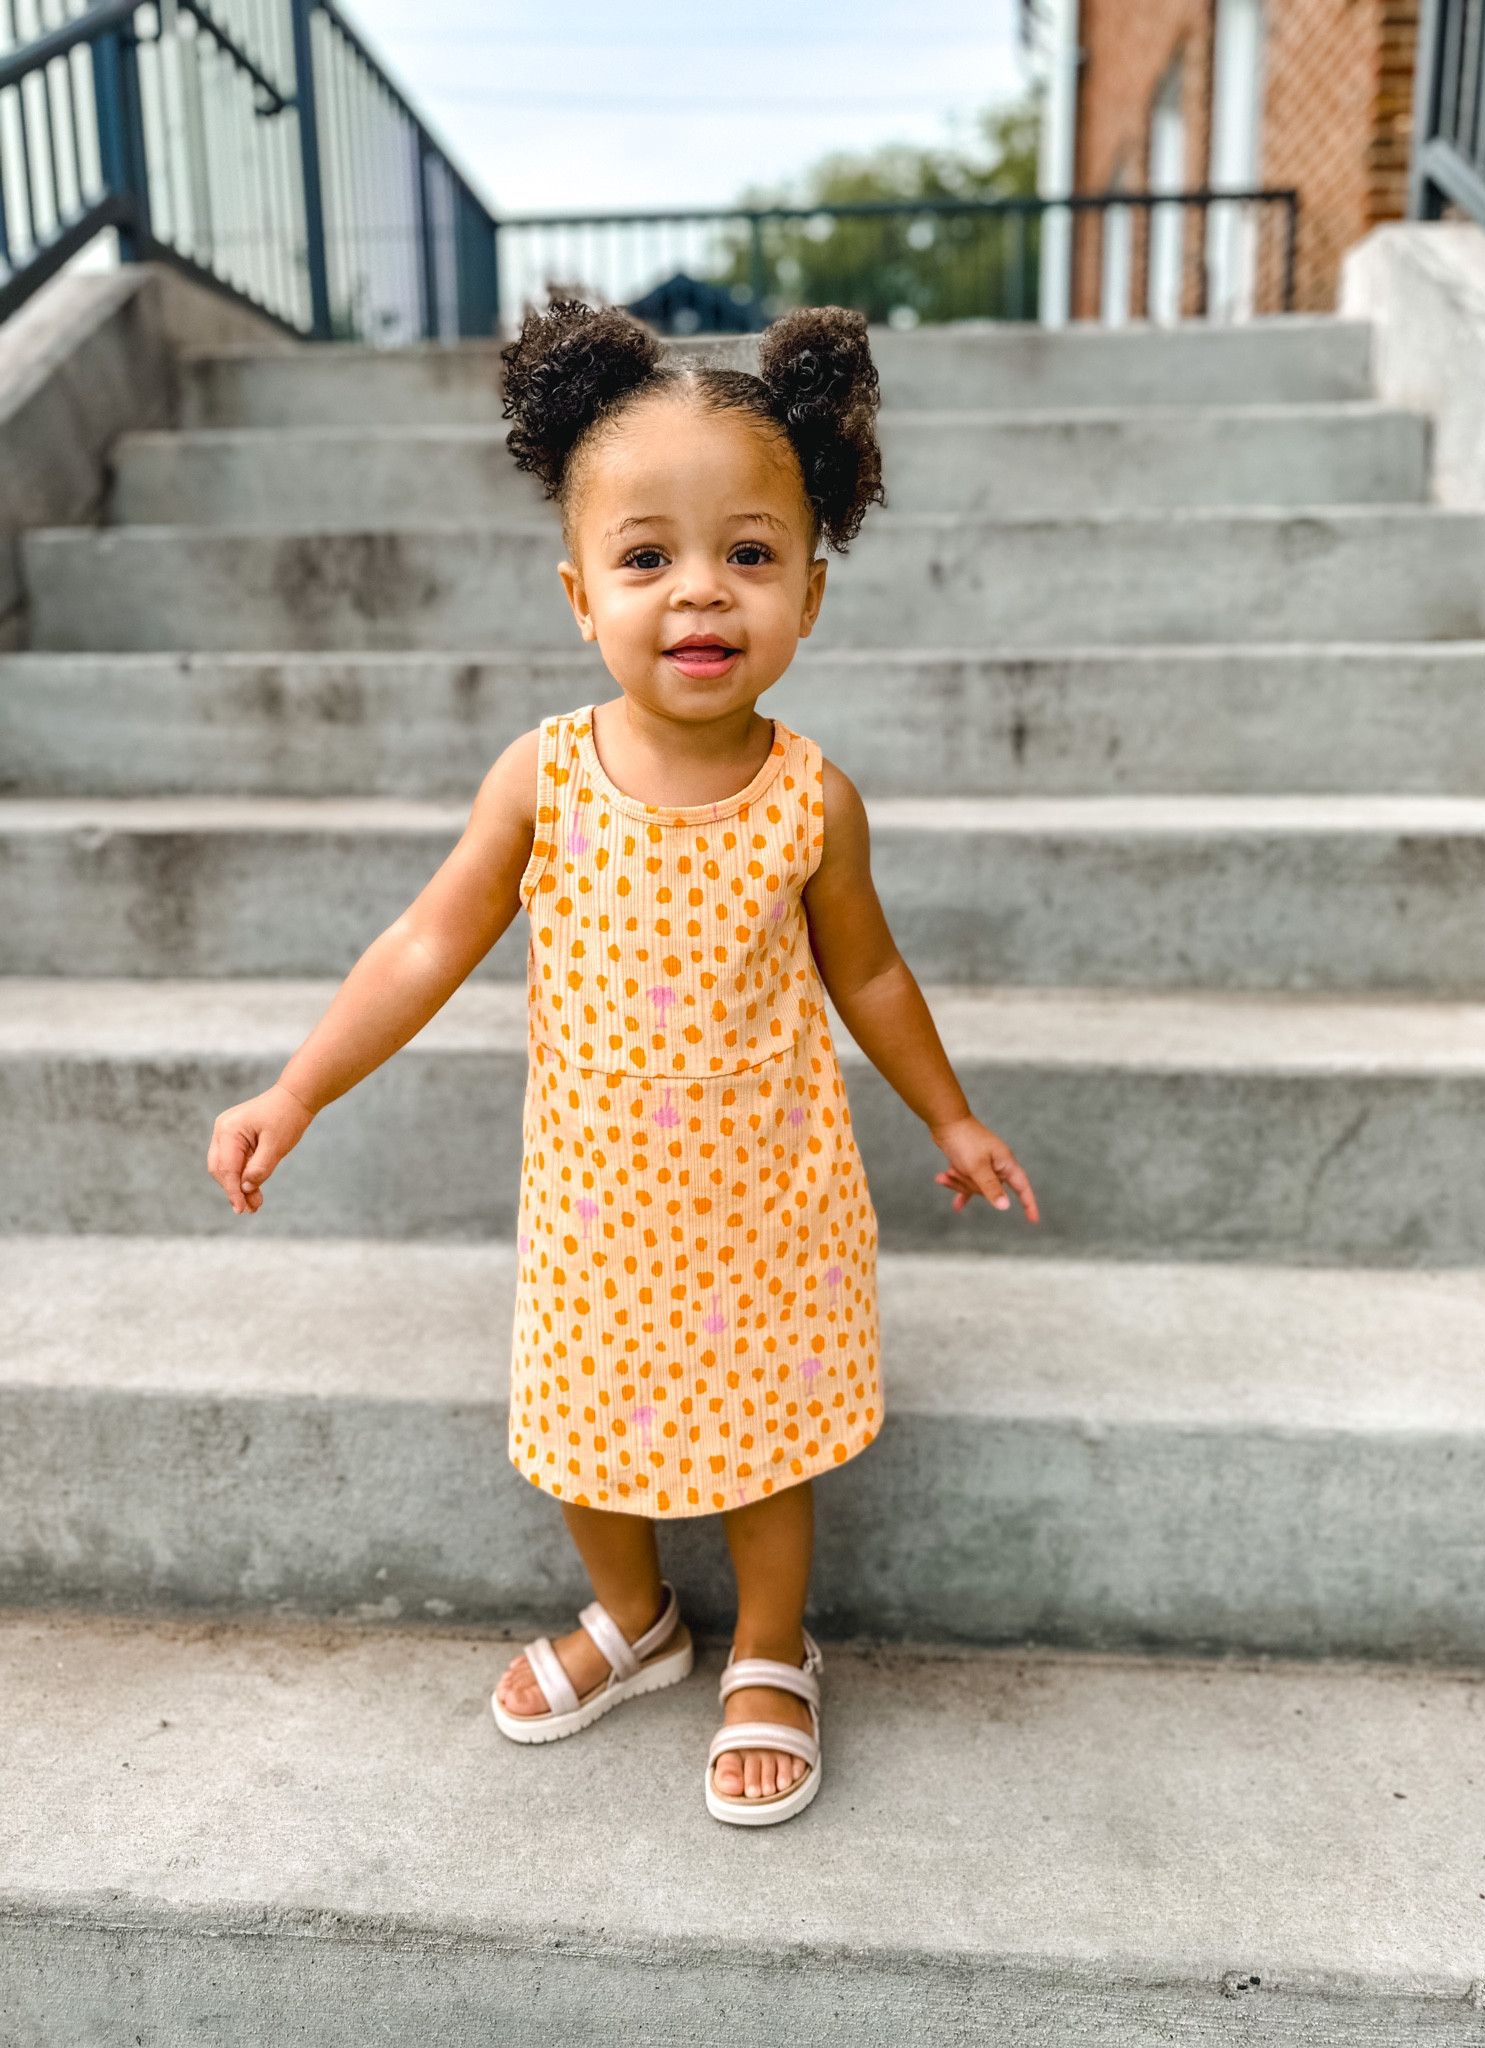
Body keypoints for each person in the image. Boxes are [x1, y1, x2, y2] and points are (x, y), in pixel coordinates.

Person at [206, 299, 1037, 1827]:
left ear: (813, 592)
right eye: (649, 557)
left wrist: (953, 1112)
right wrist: (299, 1084)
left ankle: (774, 1649)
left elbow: (869, 970)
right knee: (587, 1434)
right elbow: (421, 946)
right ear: (581, 590)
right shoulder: (545, 779)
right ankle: (638, 1619)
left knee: (766, 1449)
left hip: (768, 1204)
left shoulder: (812, 801)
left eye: (750, 554)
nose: (700, 592)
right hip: (600, 1214)